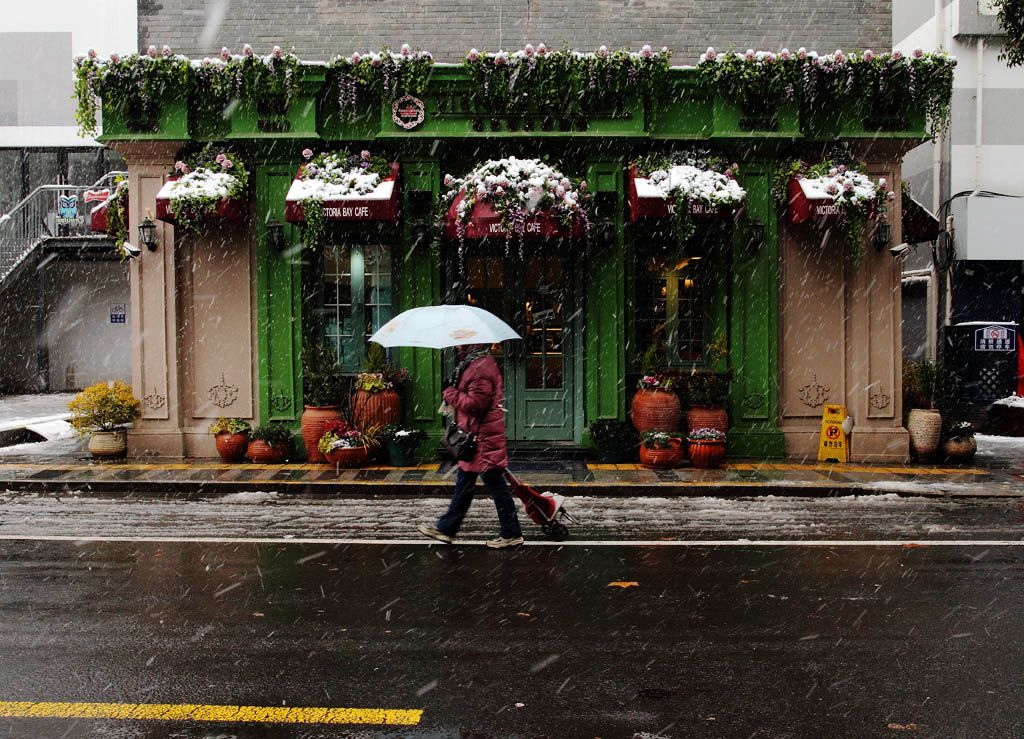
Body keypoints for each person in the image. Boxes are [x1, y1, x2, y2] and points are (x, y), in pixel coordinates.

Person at [418, 343, 524, 549]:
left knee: (494, 486)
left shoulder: (480, 368)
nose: (457, 346)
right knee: (466, 485)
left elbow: (475, 404)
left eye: (460, 342)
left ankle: (511, 533)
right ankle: (447, 529)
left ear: (471, 344)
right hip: (476, 436)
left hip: (482, 439)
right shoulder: (474, 364)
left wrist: (450, 393)